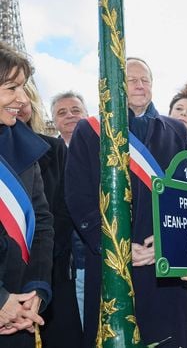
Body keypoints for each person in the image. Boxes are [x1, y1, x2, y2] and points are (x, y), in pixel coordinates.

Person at [65, 57, 187, 348]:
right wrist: (113, 244)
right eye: (131, 79)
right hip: (112, 261)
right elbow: (78, 196)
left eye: (145, 80)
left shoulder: (178, 131)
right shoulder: (90, 130)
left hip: (163, 263)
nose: (139, 85)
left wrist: (170, 243)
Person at [16, 82, 82, 347]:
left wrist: (44, 253)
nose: (20, 105)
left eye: (26, 99)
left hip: (50, 266)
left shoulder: (53, 149)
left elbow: (66, 208)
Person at [0, 42, 54, 348]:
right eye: (11, 88)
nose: (22, 99)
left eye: (24, 87)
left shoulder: (24, 147)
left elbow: (42, 225)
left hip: (19, 312)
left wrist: (36, 291)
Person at [50, 90, 88, 329]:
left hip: (99, 255)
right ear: (53, 121)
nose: (70, 116)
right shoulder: (44, 157)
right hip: (62, 265)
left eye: (76, 110)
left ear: (86, 114)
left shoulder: (109, 153)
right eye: (62, 112)